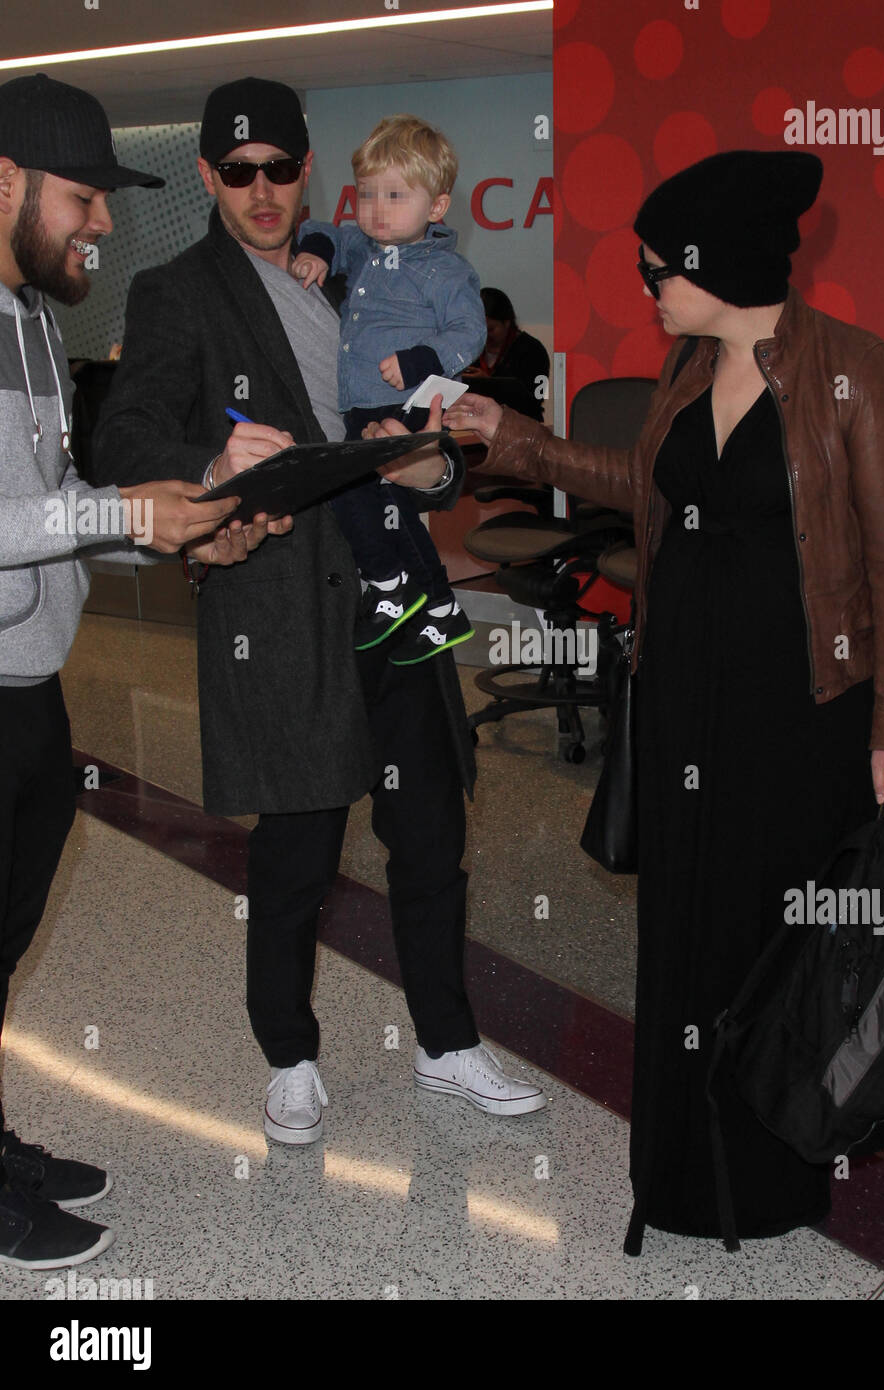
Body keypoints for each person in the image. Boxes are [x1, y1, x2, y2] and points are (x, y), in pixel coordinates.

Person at [441, 150, 884, 1250]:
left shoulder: (851, 369)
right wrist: (511, 441)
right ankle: (676, 1171)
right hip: (678, 703)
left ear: (718, 262)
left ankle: (766, 1180)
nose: (647, 285)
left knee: (778, 946)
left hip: (800, 715)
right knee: (681, 936)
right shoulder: (685, 371)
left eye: (658, 267)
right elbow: (642, 485)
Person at [94, 78, 545, 1151]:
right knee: (296, 847)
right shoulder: (175, 291)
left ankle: (444, 1040)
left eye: (280, 170)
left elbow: (420, 443)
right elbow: (121, 447)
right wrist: (210, 464)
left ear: (309, 173)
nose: (260, 190)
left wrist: (435, 467)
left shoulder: (365, 270)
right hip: (280, 608)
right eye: (237, 172)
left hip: (394, 601)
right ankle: (288, 1055)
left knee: (429, 830)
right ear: (207, 175)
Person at [0, 72, 275, 1270]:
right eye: (82, 197)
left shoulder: (34, 323)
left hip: (28, 682)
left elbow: (50, 507)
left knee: (6, 937)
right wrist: (127, 510)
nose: (104, 224)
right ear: (3, 182)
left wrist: (178, 516)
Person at [291, 115, 484, 663]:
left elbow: (470, 333)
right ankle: (442, 610)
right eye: (366, 194)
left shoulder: (444, 271)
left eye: (395, 196)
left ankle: (386, 582)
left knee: (352, 491)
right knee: (391, 507)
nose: (375, 209)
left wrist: (423, 358)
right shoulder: (363, 245)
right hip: (361, 401)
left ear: (437, 207)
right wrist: (320, 254)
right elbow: (322, 231)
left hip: (400, 404)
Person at [463, 287, 550, 422]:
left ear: (507, 322)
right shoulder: (470, 348)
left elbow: (535, 400)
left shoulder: (533, 350)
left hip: (521, 427)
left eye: (490, 329)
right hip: (476, 425)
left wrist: (488, 383)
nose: (485, 336)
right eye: (479, 330)